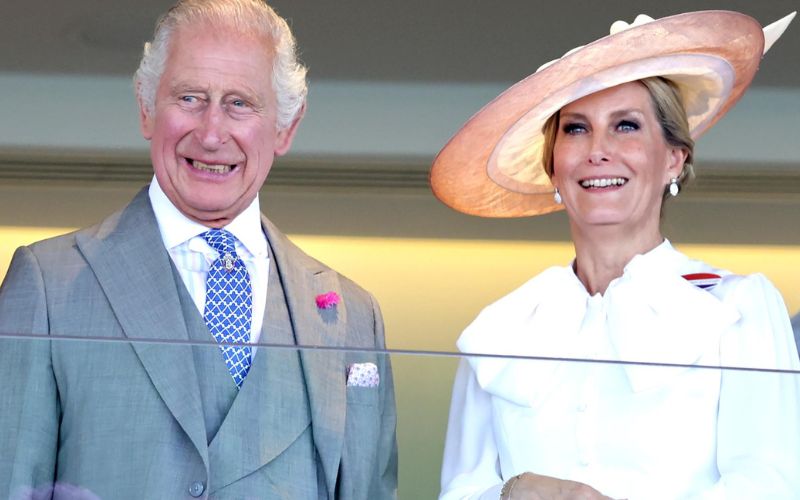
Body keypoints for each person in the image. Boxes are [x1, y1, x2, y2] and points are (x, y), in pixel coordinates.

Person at [0, 1, 397, 499]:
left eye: (240, 103)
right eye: (189, 98)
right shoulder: (47, 286)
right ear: (146, 108)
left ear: (286, 128)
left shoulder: (356, 318)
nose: (210, 133)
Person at [430, 10, 800, 500]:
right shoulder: (502, 326)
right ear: (553, 167)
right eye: (575, 129)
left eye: (625, 125)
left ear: (674, 159)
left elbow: (770, 486)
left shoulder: (739, 308)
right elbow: (459, 491)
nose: (597, 150)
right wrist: (512, 491)